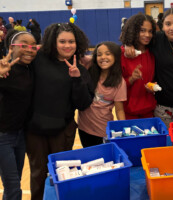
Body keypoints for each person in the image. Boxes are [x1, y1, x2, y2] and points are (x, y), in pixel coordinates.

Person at [26, 23, 94, 200]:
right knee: (38, 174)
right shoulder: (37, 59)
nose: (67, 45)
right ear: (53, 42)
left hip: (62, 130)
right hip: (35, 130)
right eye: (62, 41)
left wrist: (77, 79)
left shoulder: (79, 68)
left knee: (62, 174)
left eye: (71, 41)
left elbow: (84, 103)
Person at [125, 8, 173, 127]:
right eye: (168, 24)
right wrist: (128, 44)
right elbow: (138, 37)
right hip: (162, 107)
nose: (172, 28)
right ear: (162, 26)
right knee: (164, 143)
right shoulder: (155, 40)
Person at [0, 30, 37, 200]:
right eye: (23, 45)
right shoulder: (4, 70)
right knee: (13, 187)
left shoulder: (30, 69)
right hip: (3, 136)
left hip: (20, 135)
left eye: (33, 46)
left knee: (13, 185)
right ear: (10, 48)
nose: (29, 49)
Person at [78, 42, 126, 147]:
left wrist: (123, 128)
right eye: (99, 54)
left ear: (116, 57)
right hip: (83, 128)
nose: (103, 57)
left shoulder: (119, 82)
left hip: (102, 131)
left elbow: (119, 110)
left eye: (108, 54)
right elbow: (77, 54)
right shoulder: (89, 67)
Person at [120, 13, 156, 119]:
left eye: (150, 31)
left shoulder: (153, 52)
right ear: (133, 31)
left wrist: (153, 87)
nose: (147, 35)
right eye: (142, 30)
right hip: (128, 112)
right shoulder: (123, 54)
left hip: (150, 111)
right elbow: (116, 86)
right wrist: (131, 79)